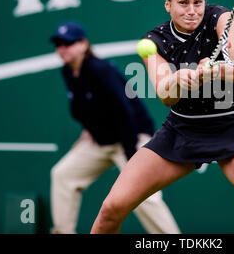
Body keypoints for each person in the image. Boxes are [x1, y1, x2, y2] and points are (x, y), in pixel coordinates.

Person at [91, 0, 234, 234]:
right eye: (183, 3)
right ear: (168, 5)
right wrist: (180, 79)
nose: (192, 10)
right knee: (111, 210)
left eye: (197, 2)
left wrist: (215, 70)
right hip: (183, 131)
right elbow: (165, 94)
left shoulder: (221, 18)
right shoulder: (154, 41)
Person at [49, 21, 181, 234]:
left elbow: (124, 112)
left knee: (145, 196)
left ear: (83, 44)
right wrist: (87, 133)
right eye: (58, 44)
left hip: (131, 138)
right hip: (101, 143)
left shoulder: (101, 70)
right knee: (62, 174)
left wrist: (132, 157)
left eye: (68, 43)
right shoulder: (68, 72)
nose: (62, 48)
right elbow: (88, 108)